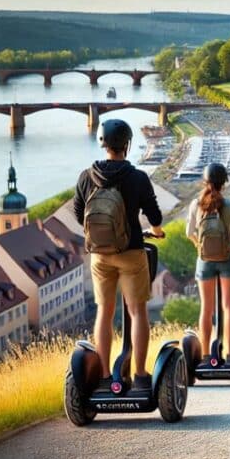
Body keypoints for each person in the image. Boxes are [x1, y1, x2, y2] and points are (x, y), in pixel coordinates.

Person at [74, 118, 165, 390]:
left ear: (103, 143)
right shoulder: (137, 177)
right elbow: (155, 215)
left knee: (104, 311)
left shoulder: (86, 177)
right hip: (131, 253)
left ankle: (103, 376)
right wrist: (156, 230)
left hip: (99, 256)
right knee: (137, 312)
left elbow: (81, 215)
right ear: (126, 144)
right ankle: (139, 375)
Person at [185, 162, 230, 365]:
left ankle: (205, 355)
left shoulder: (196, 204)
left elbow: (189, 233)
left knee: (206, 307)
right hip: (226, 259)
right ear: (224, 184)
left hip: (204, 260)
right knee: (228, 306)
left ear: (204, 181)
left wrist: (200, 246)